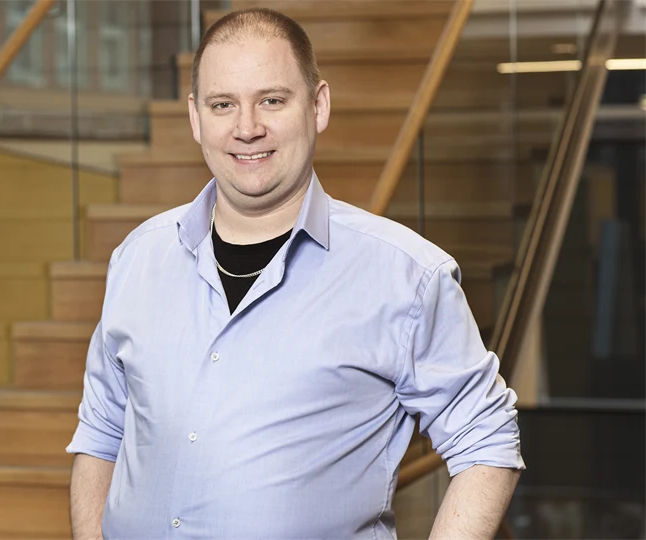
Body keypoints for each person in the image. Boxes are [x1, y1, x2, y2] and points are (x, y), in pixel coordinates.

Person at [67, 7, 524, 539]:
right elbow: (100, 432)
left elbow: (486, 440)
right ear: (196, 118)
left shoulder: (408, 277)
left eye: (271, 100)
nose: (247, 128)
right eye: (223, 105)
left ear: (318, 105)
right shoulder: (138, 258)